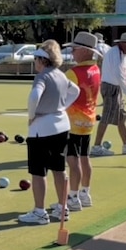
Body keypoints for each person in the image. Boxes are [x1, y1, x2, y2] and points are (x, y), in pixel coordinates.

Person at [18, 40, 79, 225]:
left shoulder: (42, 76)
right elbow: (75, 91)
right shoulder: (60, 75)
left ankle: (40, 212)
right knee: (59, 169)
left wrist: (31, 116)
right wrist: (62, 107)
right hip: (62, 126)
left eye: (35, 59)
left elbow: (34, 96)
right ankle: (62, 208)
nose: (35, 62)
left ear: (42, 60)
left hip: (42, 128)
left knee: (38, 172)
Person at [64, 32, 102, 212]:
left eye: (75, 49)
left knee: (73, 160)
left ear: (86, 51)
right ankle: (85, 193)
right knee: (85, 157)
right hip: (89, 120)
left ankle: (73, 197)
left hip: (73, 122)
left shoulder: (72, 73)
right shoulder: (96, 69)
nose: (72, 52)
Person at [90, 32, 126, 157]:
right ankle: (96, 147)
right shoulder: (115, 53)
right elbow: (118, 74)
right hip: (110, 88)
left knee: (121, 117)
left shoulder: (122, 54)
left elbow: (124, 74)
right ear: (124, 43)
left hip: (116, 87)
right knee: (106, 117)